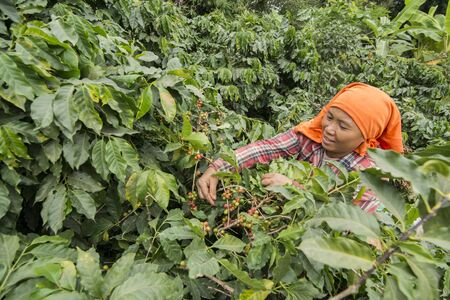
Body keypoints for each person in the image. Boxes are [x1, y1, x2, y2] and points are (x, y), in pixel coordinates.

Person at [196, 82, 403, 213]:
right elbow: (266, 148)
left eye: (343, 126)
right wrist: (219, 168)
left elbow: (350, 219)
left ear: (365, 137)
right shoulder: (311, 136)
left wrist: (294, 189)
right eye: (329, 117)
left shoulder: (369, 172)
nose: (329, 129)